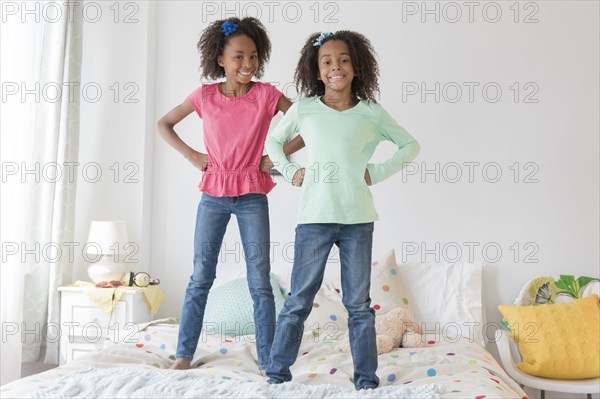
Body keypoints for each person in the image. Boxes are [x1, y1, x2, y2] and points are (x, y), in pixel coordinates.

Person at [264, 30, 421, 390]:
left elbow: (410, 145)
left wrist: (377, 172)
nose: (336, 67)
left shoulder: (370, 113)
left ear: (356, 66)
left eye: (344, 60)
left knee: (359, 305)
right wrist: (290, 171)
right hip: (314, 218)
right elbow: (274, 142)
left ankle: (366, 380)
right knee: (299, 299)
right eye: (327, 62)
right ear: (317, 71)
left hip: (357, 221)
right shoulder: (305, 109)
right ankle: (276, 375)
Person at [157, 17, 303, 372]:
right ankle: (184, 355)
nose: (248, 64)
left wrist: (277, 157)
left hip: (253, 194)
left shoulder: (267, 95)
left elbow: (308, 119)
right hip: (214, 194)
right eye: (239, 57)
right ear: (220, 59)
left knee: (259, 279)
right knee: (201, 276)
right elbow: (164, 123)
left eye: (253, 56)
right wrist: (193, 156)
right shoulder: (205, 97)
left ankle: (269, 360)